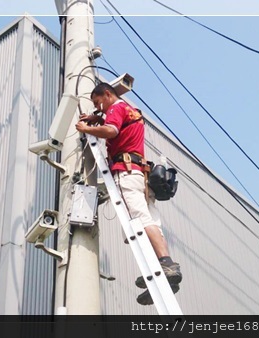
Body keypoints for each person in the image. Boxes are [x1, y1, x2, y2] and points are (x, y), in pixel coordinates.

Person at [75, 82, 182, 305]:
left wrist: (87, 129)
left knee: (139, 221)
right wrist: (99, 119)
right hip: (141, 175)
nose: (99, 108)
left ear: (107, 94)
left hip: (127, 172)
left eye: (98, 103)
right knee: (151, 220)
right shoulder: (131, 110)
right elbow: (117, 127)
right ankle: (166, 267)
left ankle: (163, 264)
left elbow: (111, 131)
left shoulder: (115, 108)